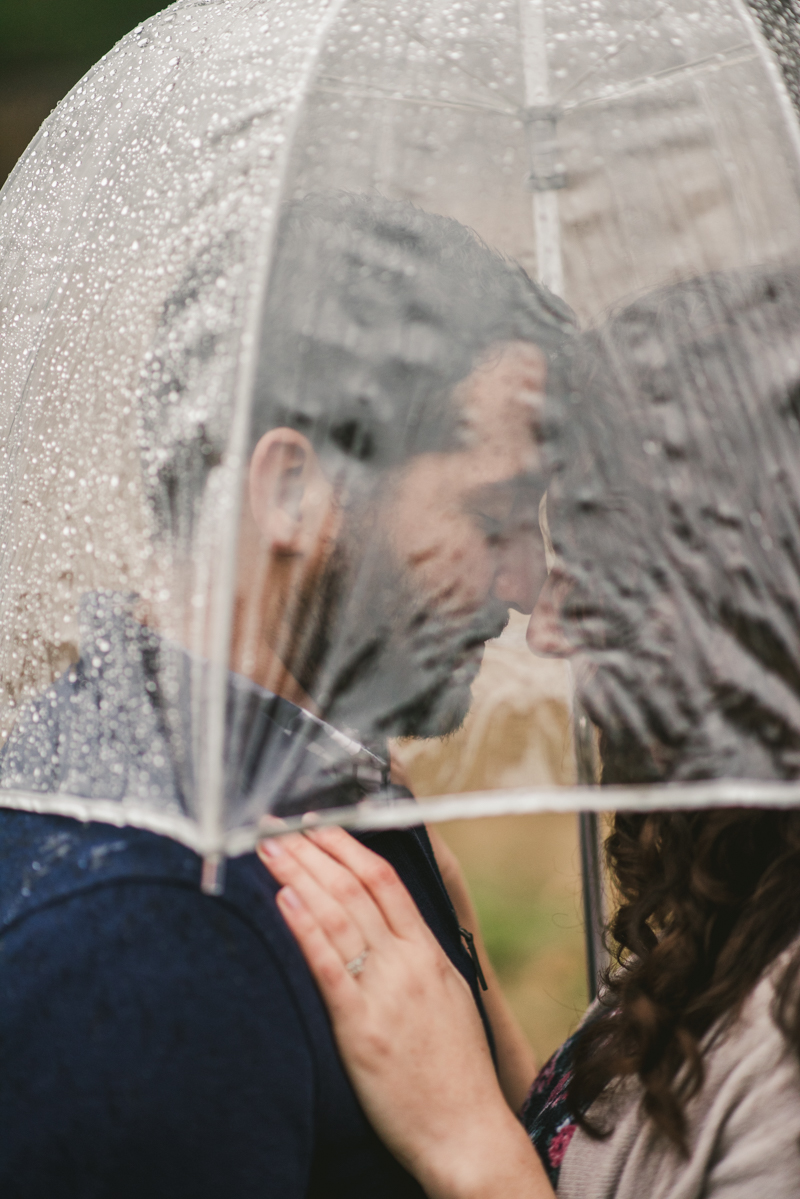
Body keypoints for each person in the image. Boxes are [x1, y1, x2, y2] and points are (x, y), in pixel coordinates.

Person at [0, 193, 575, 1196]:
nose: (526, 588)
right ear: (291, 491)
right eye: (491, 520)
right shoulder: (154, 928)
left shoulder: (299, 790)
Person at [260, 264, 800, 1198]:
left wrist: (468, 1143)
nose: (542, 625)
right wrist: (470, 999)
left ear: (740, 605)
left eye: (596, 573)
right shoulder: (734, 929)